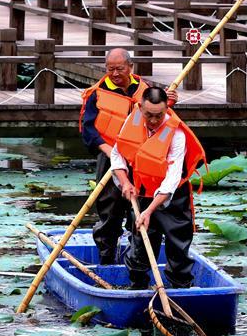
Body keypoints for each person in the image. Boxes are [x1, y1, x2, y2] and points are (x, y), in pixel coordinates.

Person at [80, 48, 176, 264]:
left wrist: (171, 102)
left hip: (142, 159)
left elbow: (163, 117)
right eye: (110, 69)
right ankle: (106, 258)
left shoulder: (146, 90)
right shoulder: (96, 92)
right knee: (110, 210)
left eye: (120, 69)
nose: (115, 73)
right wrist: (112, 154)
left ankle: (137, 260)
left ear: (130, 67)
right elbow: (88, 130)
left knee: (140, 210)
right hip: (109, 158)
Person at [110, 86, 206, 290]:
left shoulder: (176, 134)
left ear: (166, 110)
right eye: (149, 115)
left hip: (172, 197)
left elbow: (171, 180)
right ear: (140, 108)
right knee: (140, 246)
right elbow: (117, 154)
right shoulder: (132, 120)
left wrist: (150, 211)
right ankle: (138, 288)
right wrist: (125, 182)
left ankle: (181, 289)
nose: (153, 120)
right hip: (142, 192)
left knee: (178, 247)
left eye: (158, 116)